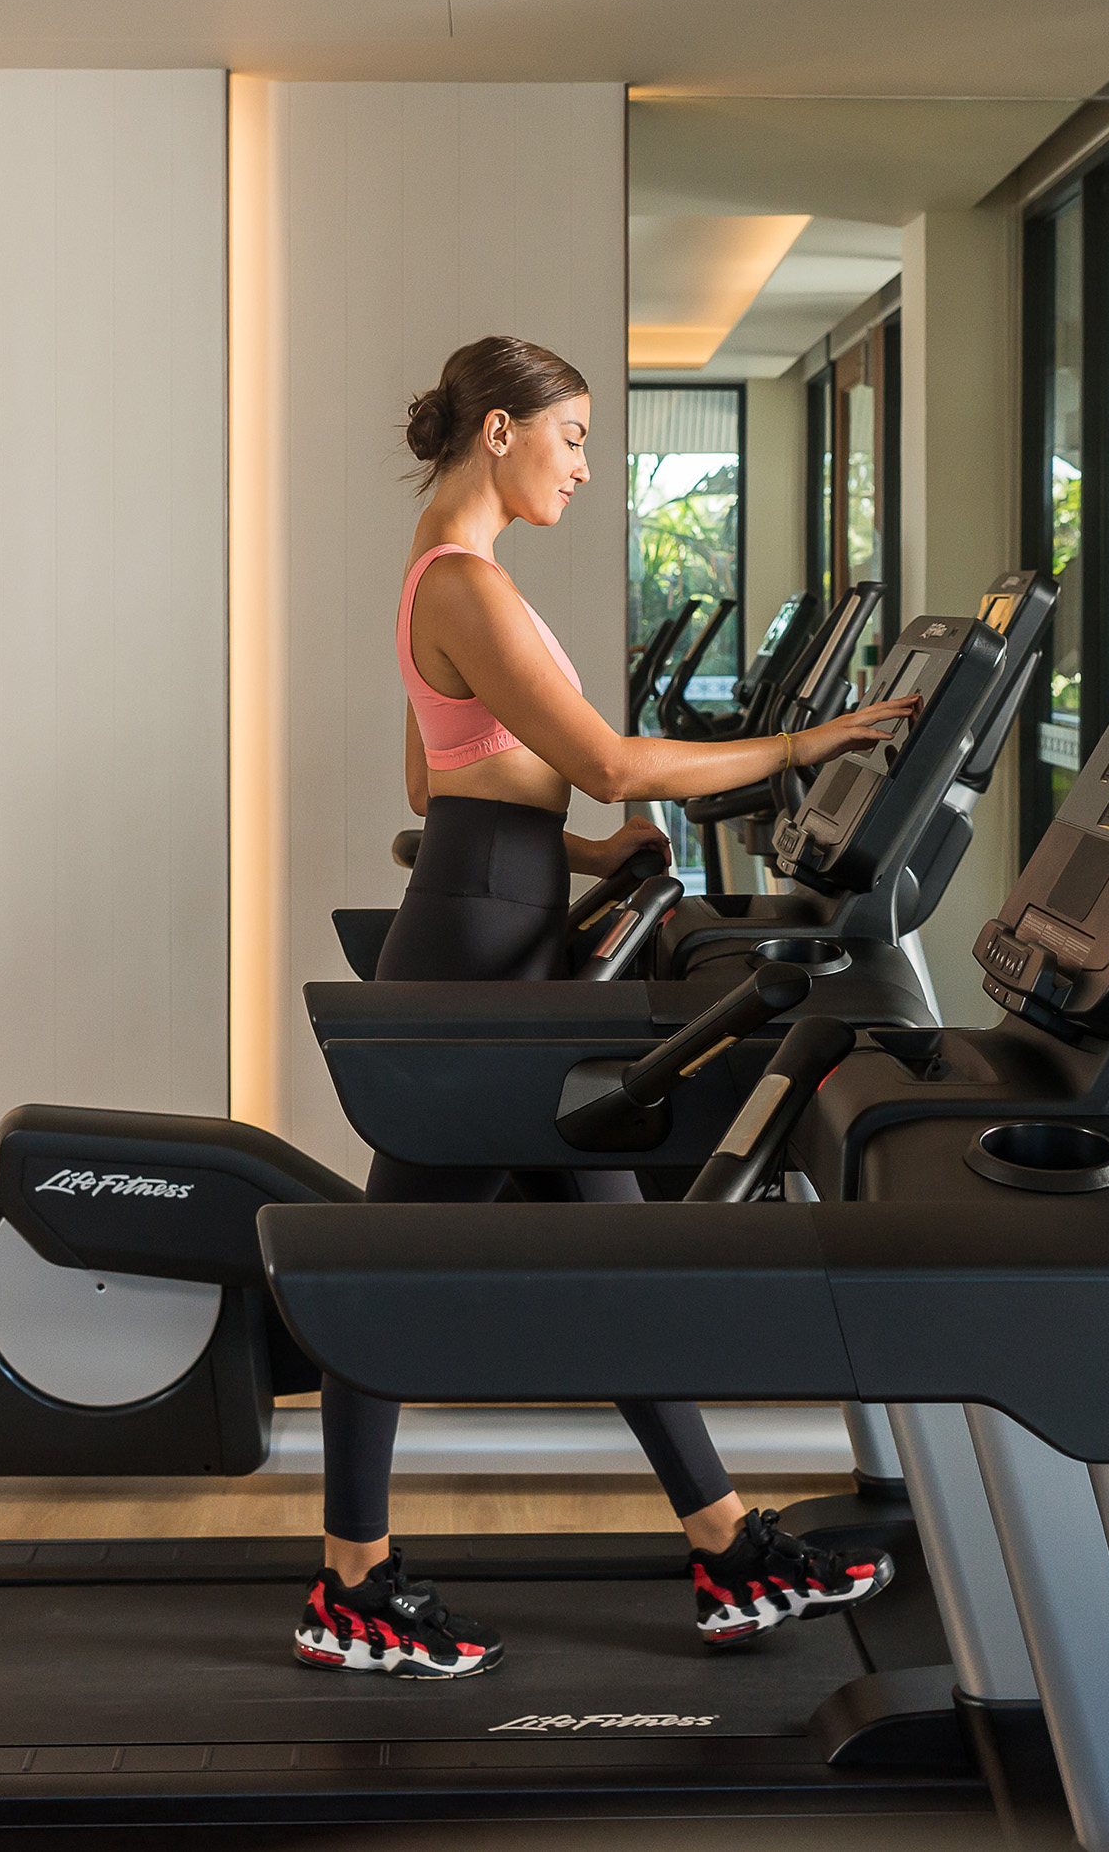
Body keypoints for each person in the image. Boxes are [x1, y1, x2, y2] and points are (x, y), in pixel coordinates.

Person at [296, 334, 922, 1682]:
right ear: (503, 430)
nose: (585, 464)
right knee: (381, 1276)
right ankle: (350, 1584)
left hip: (501, 913)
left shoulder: (447, 570)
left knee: (614, 1252)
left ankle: (726, 1541)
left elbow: (442, 777)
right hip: (476, 948)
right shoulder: (464, 579)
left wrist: (587, 857)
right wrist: (813, 742)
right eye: (573, 437)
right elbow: (608, 757)